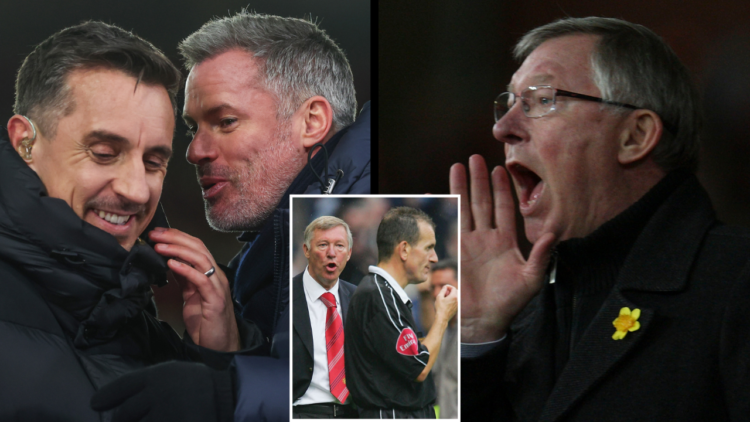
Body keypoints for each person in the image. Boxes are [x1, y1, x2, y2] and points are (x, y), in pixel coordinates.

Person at [452, 17, 750, 421]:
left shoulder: (735, 284)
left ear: (635, 136)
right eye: (507, 105)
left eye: (541, 100)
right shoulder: (515, 315)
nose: (502, 128)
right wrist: (476, 337)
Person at [91, 10, 370, 421]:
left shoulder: (374, 198)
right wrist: (229, 352)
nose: (194, 151)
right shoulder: (269, 254)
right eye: (192, 128)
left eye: (225, 121)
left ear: (312, 122)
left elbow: (407, 389)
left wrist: (231, 391)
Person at [0, 21, 258, 421]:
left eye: (154, 162)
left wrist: (219, 361)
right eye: (104, 152)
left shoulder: (141, 326)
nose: (137, 191)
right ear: (25, 144)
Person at [345, 207, 458, 419]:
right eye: (428, 248)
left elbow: (405, 353)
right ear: (404, 249)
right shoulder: (378, 296)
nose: (434, 258)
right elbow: (419, 368)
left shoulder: (383, 293)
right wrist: (443, 316)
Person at [292, 216, 358, 419]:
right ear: (306, 250)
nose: (331, 253)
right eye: (323, 245)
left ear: (348, 254)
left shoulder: (359, 297)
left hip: (353, 412)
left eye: (339, 246)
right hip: (302, 411)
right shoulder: (285, 296)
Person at [428, 259, 458, 419]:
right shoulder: (439, 328)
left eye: (443, 286)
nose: (435, 293)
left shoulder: (472, 332)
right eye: (433, 287)